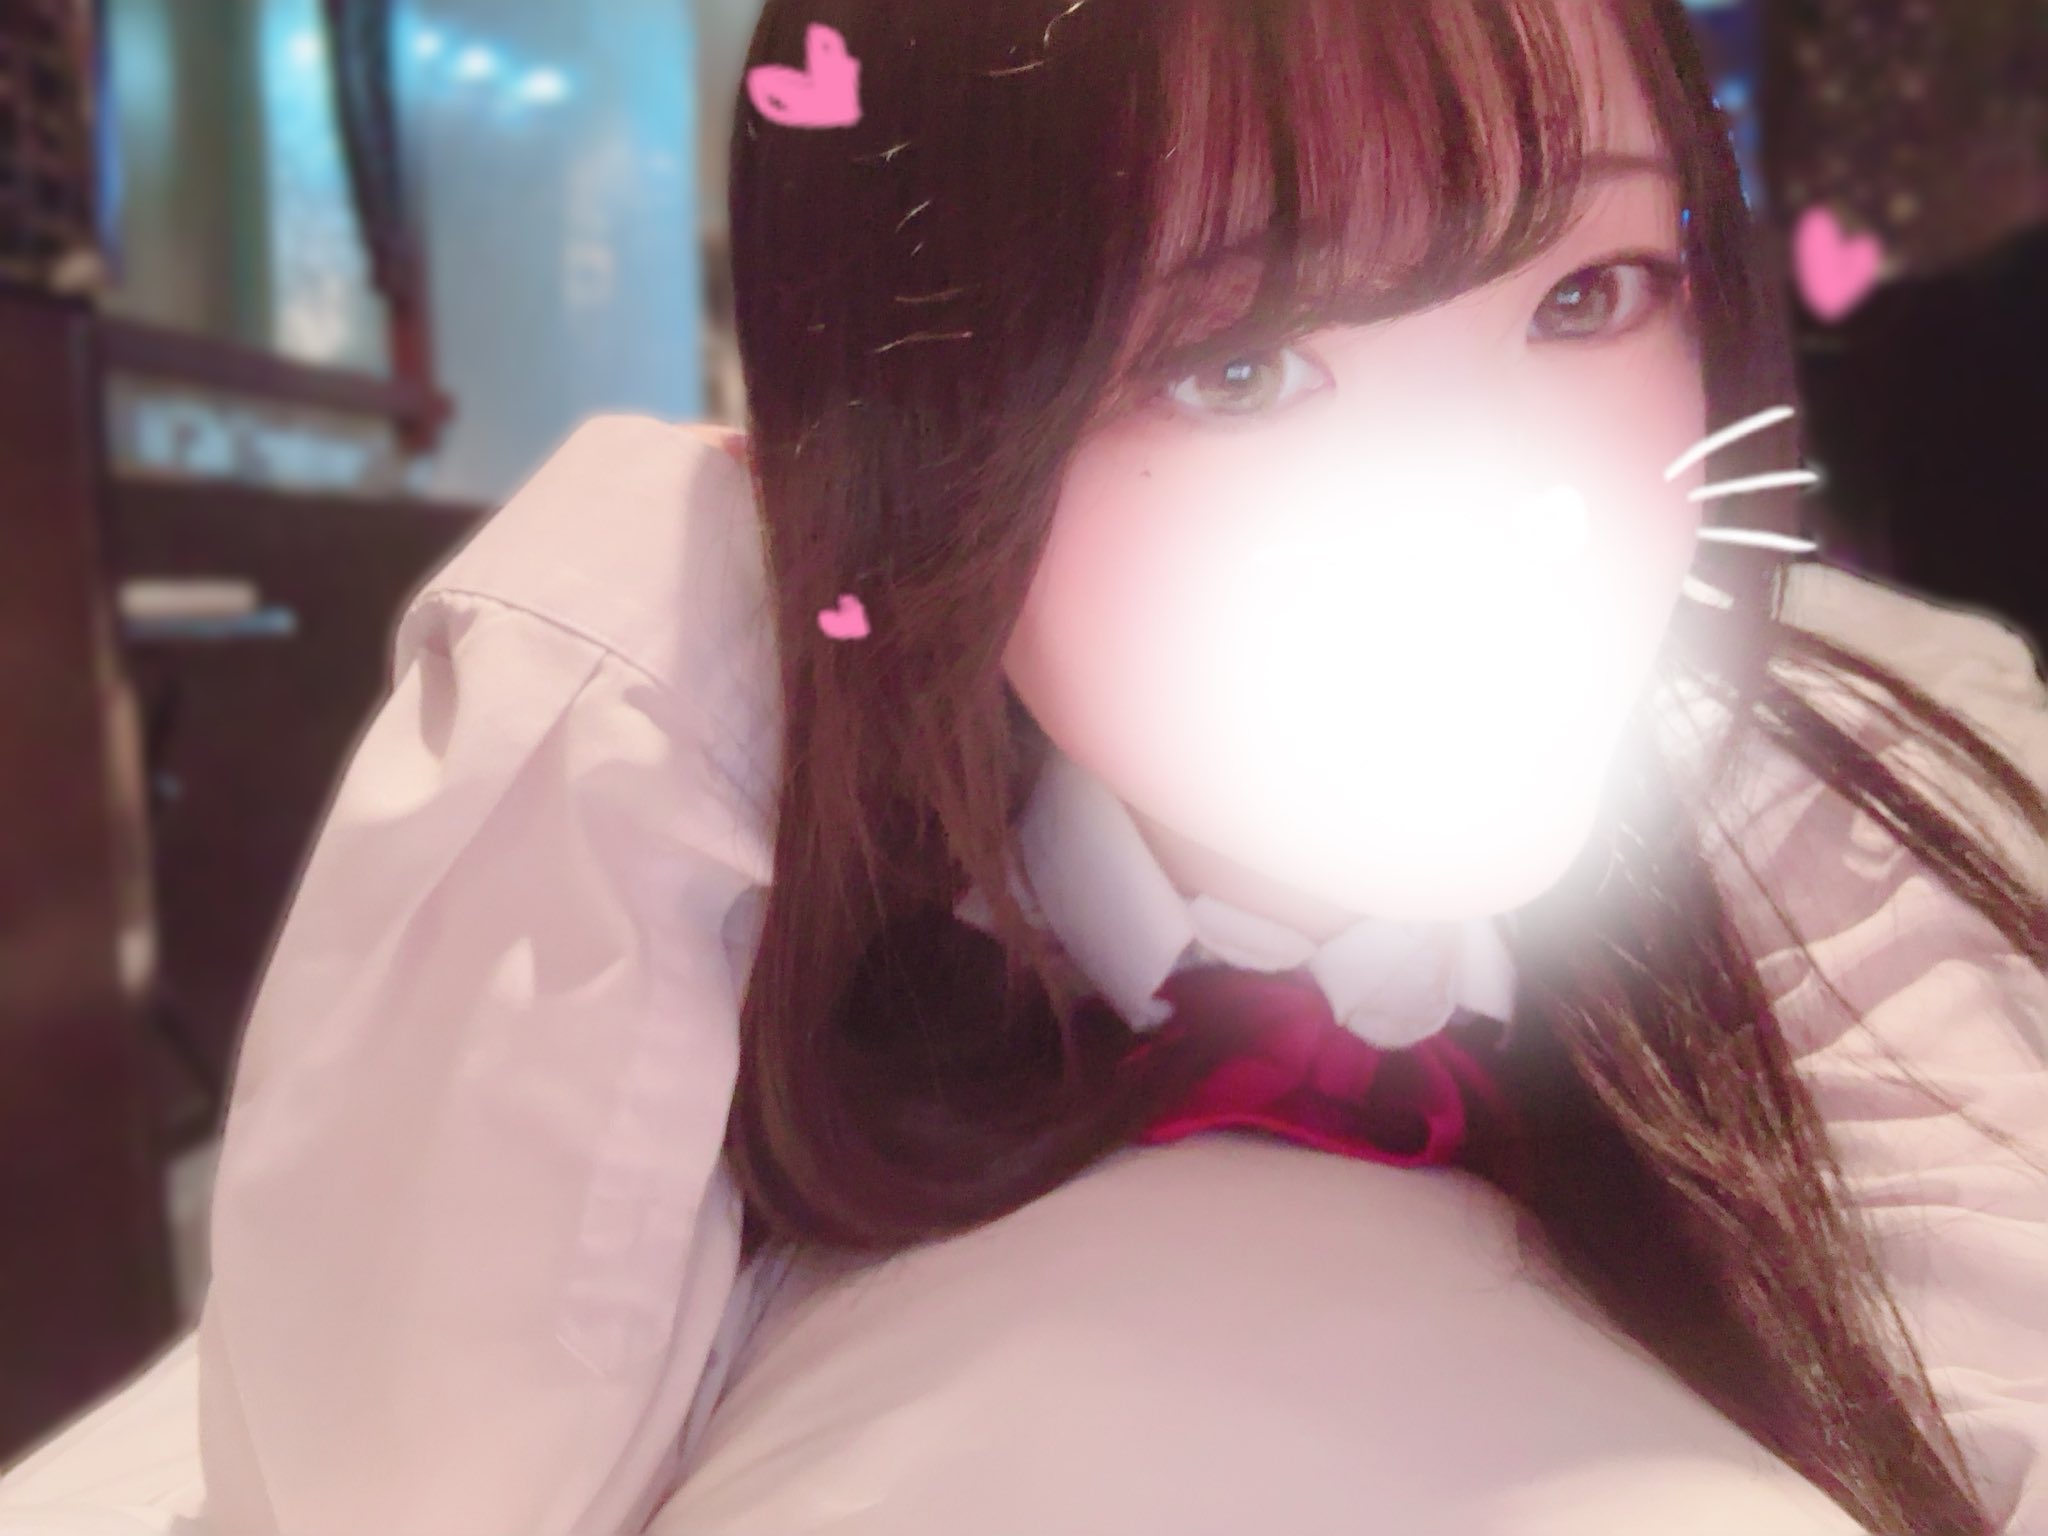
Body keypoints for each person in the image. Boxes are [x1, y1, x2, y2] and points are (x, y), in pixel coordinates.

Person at [190, 1, 2048, 1533]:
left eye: (1591, 296)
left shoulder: (1835, 821)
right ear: (911, 431)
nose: (1532, 511)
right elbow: (401, 1485)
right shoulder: (738, 857)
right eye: (1239, 368)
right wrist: (673, 619)